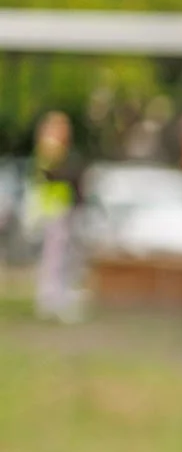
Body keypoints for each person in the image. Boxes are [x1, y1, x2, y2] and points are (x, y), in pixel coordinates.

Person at [29, 110, 83, 323]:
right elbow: (53, 177)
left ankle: (57, 299)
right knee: (54, 259)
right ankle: (50, 301)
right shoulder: (50, 149)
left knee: (61, 258)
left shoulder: (55, 150)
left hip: (60, 207)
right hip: (53, 209)